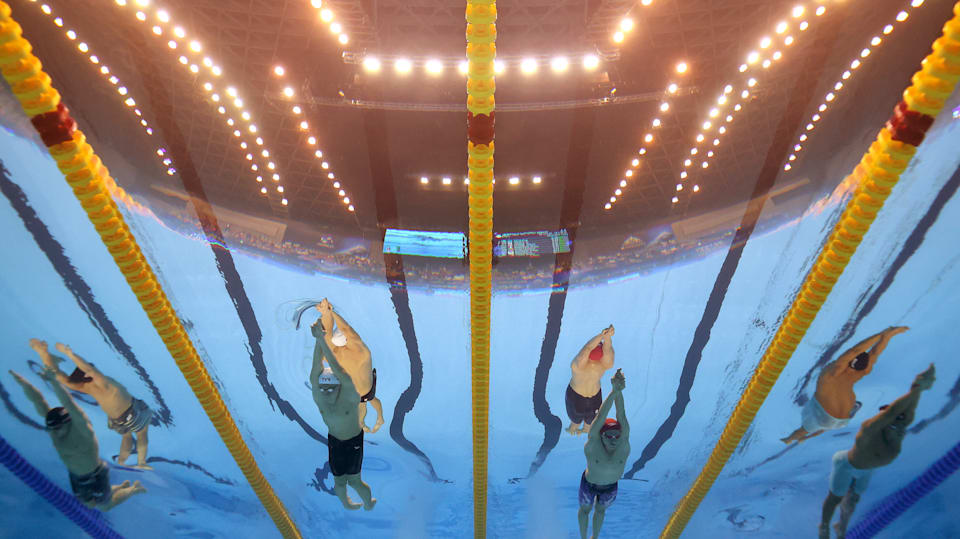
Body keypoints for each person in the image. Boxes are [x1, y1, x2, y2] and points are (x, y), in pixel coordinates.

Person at [818, 364, 935, 539]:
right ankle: (824, 527)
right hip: (847, 464)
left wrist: (918, 390)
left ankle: (840, 526)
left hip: (866, 469)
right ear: (884, 418)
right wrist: (917, 387)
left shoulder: (898, 426)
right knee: (836, 498)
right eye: (892, 418)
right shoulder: (870, 428)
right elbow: (894, 411)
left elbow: (906, 411)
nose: (899, 422)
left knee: (852, 500)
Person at [9, 368, 146, 510]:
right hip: (76, 477)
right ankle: (119, 487)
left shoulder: (82, 427)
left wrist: (55, 382)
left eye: (58, 429)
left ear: (66, 422)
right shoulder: (54, 429)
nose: (55, 433)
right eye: (53, 429)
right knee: (89, 505)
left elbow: (68, 403)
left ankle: (133, 489)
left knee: (104, 506)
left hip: (96, 474)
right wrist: (21, 381)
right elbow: (38, 401)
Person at [30, 339, 154, 469]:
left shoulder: (84, 386)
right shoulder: (104, 383)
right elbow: (90, 370)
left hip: (116, 419)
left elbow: (58, 375)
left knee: (126, 437)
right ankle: (141, 463)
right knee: (141, 434)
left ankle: (122, 462)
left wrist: (43, 354)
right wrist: (69, 353)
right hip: (131, 411)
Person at [782, 327, 908, 444]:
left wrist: (880, 334)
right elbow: (875, 353)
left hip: (829, 415)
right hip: (840, 422)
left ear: (850, 361)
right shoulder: (860, 373)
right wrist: (888, 335)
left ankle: (788, 439)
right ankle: (806, 436)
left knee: (804, 429)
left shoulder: (833, 372)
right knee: (823, 425)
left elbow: (855, 350)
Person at [310, 318, 377, 511]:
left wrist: (320, 340)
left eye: (329, 388)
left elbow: (327, 368)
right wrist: (319, 339)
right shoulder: (337, 393)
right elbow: (326, 368)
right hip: (343, 442)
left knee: (347, 482)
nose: (326, 392)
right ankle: (357, 504)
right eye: (325, 388)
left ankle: (358, 503)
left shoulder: (334, 394)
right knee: (346, 482)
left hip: (344, 441)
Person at [315, 299, 384, 434]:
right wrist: (330, 312)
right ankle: (379, 418)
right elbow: (346, 329)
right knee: (369, 400)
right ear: (347, 340)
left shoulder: (332, 355)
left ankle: (370, 420)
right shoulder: (362, 352)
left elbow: (326, 334)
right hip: (365, 389)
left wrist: (326, 314)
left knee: (363, 402)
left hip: (351, 392)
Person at [578, 369, 630, 539]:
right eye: (609, 435)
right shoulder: (593, 444)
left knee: (600, 511)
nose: (614, 438)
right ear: (601, 435)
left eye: (617, 434)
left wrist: (619, 392)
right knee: (585, 511)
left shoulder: (623, 445)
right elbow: (601, 416)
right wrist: (613, 392)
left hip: (610, 487)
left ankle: (595, 538)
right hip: (589, 484)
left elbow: (621, 415)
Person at [566, 325, 615, 436]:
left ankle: (586, 429)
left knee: (591, 420)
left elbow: (606, 350)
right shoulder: (578, 365)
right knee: (575, 418)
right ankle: (574, 426)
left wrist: (606, 337)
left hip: (595, 396)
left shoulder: (603, 364)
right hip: (576, 396)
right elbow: (587, 348)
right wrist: (602, 336)